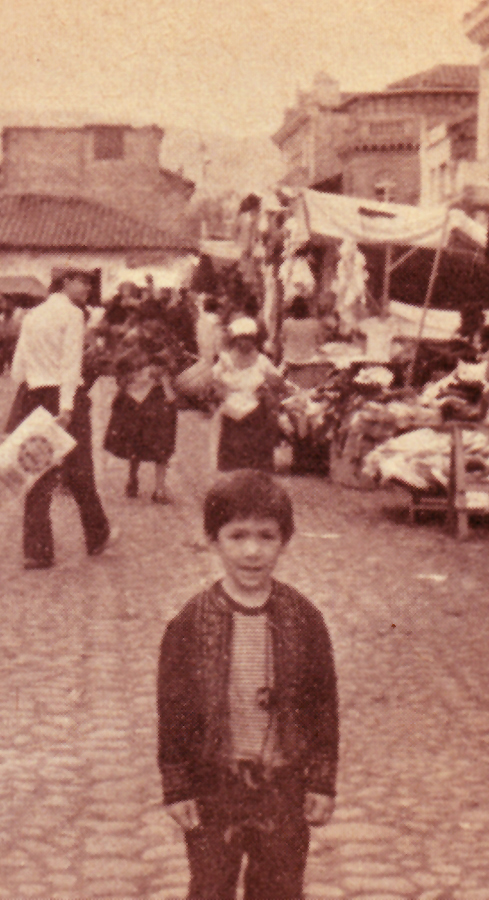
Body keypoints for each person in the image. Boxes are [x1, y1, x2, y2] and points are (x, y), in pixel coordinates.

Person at [158, 471, 338, 900]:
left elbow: (323, 706)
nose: (253, 551)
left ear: (285, 540)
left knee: (279, 887)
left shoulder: (304, 619)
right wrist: (177, 786)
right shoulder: (189, 623)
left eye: (266, 536)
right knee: (210, 887)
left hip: (283, 786)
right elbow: (173, 712)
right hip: (213, 786)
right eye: (237, 536)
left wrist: (321, 780)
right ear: (213, 540)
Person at [9, 271, 113, 569]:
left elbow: (18, 367)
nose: (89, 288)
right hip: (65, 396)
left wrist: (33, 384)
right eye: (84, 282)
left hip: (33, 394)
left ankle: (37, 549)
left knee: (37, 471)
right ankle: (97, 534)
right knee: (80, 469)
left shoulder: (32, 315)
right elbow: (70, 363)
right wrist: (66, 407)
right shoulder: (72, 314)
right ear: (66, 282)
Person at [103, 349, 178, 503]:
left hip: (152, 416)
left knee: (157, 449)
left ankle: (156, 489)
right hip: (143, 413)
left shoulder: (153, 377)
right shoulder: (139, 375)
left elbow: (171, 398)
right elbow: (170, 398)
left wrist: (163, 383)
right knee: (141, 447)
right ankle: (139, 482)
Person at [212, 317, 286, 473]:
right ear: (234, 340)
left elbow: (277, 381)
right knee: (233, 457)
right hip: (232, 413)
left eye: (248, 339)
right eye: (240, 339)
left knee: (254, 457)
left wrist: (267, 389)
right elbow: (214, 381)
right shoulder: (226, 360)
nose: (244, 343)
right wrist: (222, 393)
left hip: (255, 413)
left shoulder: (261, 361)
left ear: (254, 341)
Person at [278, 297, 325, 369]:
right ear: (307, 310)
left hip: (290, 359)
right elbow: (321, 342)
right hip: (310, 360)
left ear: (292, 310)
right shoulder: (314, 323)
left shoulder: (287, 323)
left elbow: (282, 341)